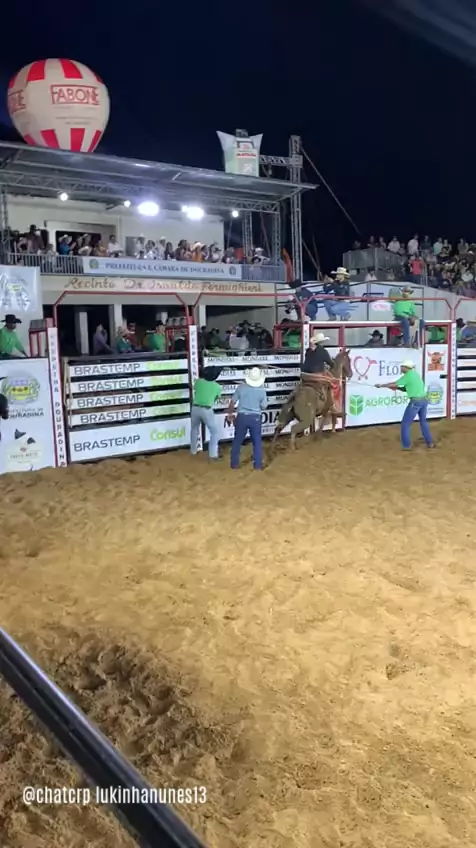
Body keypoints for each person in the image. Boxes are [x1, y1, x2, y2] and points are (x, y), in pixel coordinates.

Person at [376, 360, 434, 450]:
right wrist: (396, 388)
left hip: (415, 401)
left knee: (405, 424)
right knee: (423, 422)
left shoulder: (408, 376)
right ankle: (429, 442)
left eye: (402, 366)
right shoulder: (415, 375)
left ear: (406, 367)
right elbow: (406, 388)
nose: (401, 368)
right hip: (423, 400)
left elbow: (395, 383)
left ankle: (406, 445)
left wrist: (381, 385)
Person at [227, 367, 267, 471]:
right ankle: (257, 466)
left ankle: (234, 464)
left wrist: (230, 414)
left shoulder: (241, 387)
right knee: (257, 442)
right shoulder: (262, 390)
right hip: (255, 418)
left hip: (242, 416)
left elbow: (232, 402)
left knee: (237, 441)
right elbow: (264, 406)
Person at [190, 367, 222, 460]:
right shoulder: (217, 387)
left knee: (194, 429)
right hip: (207, 410)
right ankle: (213, 454)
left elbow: (194, 388)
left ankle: (193, 451)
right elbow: (216, 398)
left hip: (195, 408)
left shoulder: (199, 382)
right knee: (214, 432)